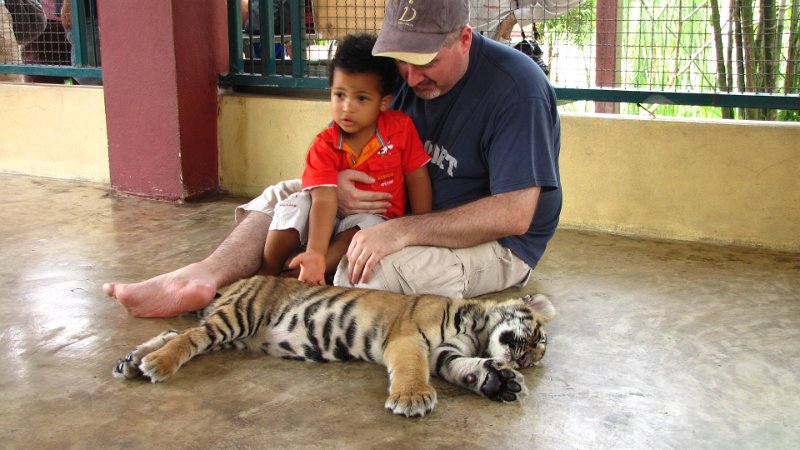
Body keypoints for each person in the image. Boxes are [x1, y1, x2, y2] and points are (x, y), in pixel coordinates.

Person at [104, 0, 562, 318]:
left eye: (426, 61)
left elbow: (514, 214)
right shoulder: (400, 73)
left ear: (463, 38)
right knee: (289, 194)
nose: (410, 77)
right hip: (394, 206)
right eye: (402, 59)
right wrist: (337, 182)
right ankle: (203, 277)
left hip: (495, 243)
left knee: (373, 268)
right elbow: (341, 143)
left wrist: (403, 231)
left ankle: (263, 303)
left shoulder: (516, 89)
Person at [260, 33, 431, 285]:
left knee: (364, 232)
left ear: (384, 102)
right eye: (339, 95)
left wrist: (420, 226)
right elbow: (323, 200)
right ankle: (267, 269)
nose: (347, 107)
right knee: (296, 203)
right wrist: (315, 250)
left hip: (375, 220)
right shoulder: (324, 144)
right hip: (326, 218)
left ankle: (308, 272)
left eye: (361, 98)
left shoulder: (401, 129)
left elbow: (417, 177)